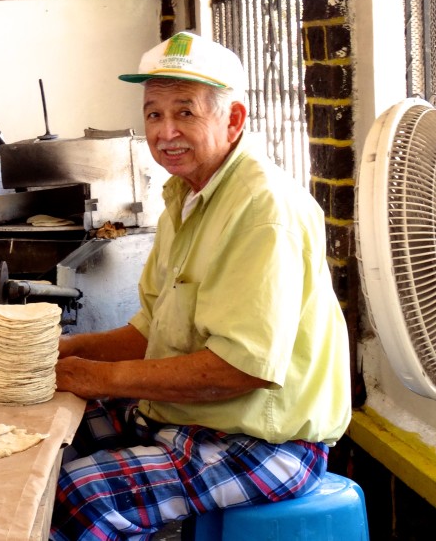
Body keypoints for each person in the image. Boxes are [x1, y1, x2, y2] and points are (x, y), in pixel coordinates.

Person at [49, 32, 352, 539]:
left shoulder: (262, 209)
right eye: (153, 114)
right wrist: (63, 352)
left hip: (264, 442)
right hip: (193, 417)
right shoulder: (184, 197)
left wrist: (94, 377)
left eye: (185, 113)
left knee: (76, 495)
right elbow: (149, 332)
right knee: (56, 439)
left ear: (233, 120)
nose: (165, 132)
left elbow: (239, 369)